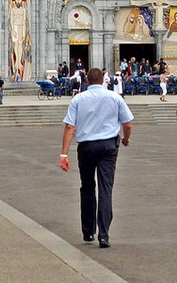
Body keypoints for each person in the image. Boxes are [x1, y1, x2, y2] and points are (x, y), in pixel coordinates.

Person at [59, 73, 135, 248]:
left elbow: (70, 127)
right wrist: (126, 139)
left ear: (87, 81)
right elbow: (128, 124)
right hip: (108, 147)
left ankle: (88, 231)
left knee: (87, 187)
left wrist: (64, 154)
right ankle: (104, 235)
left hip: (86, 147)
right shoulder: (114, 97)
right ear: (103, 81)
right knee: (105, 188)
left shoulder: (78, 99)